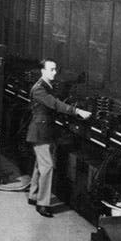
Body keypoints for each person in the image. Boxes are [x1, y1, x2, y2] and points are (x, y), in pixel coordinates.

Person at [26, 59, 91, 217]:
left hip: (45, 131)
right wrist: (77, 111)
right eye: (52, 69)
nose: (55, 72)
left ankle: (33, 195)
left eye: (55, 69)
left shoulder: (47, 86)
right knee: (47, 166)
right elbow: (54, 104)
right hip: (39, 132)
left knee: (39, 165)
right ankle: (42, 204)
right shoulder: (39, 89)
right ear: (43, 71)